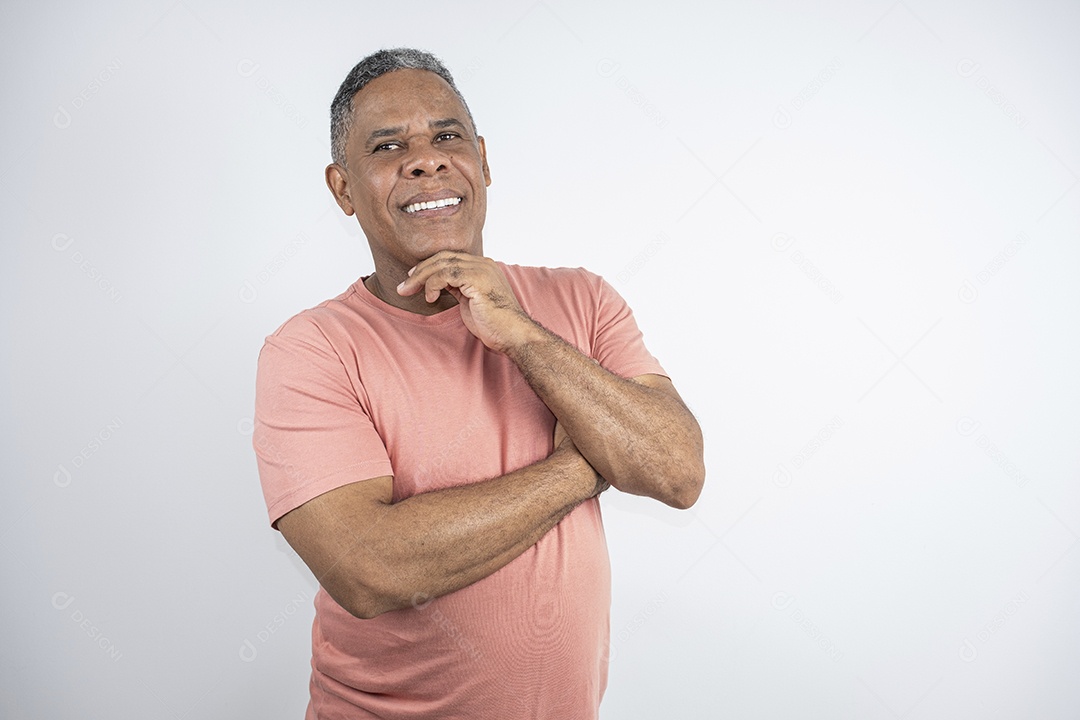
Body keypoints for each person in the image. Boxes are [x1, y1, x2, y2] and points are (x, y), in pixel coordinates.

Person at [253, 47, 705, 719]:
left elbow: (675, 471)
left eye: (446, 136)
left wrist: (523, 334)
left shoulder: (582, 299)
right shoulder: (312, 351)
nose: (426, 159)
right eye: (387, 146)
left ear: (483, 160)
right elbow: (370, 569)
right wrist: (586, 463)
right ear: (343, 188)